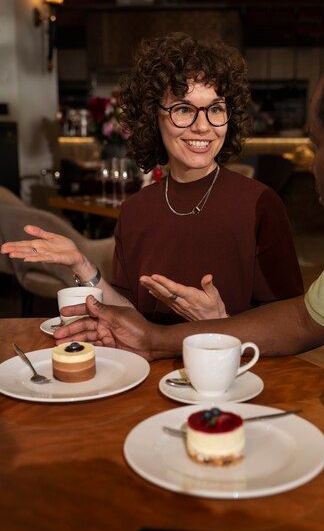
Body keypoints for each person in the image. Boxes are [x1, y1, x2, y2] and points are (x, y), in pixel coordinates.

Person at [55, 33, 324, 507]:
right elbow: (300, 319)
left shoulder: (259, 204)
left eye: (315, 145)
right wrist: (156, 336)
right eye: (183, 109)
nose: (308, 163)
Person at [1, 32, 303, 324]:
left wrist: (219, 322)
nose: (202, 127)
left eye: (215, 109)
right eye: (183, 109)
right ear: (151, 116)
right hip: (149, 374)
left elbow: (290, 323)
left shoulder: (260, 205)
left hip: (231, 372)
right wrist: (81, 264)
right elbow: (130, 317)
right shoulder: (135, 211)